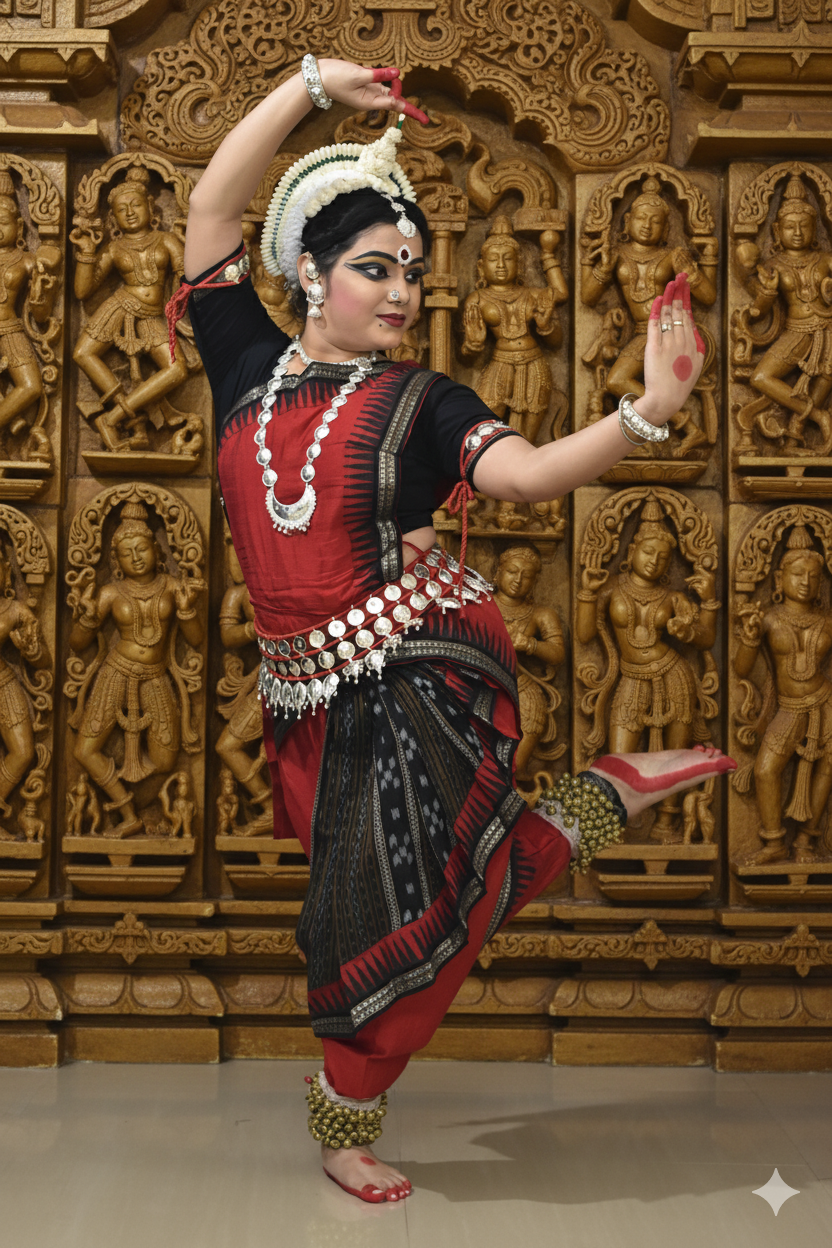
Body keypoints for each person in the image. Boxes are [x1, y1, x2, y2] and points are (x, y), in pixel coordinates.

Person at [170, 56, 736, 1205]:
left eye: (413, 274)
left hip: (400, 692)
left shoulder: (425, 401)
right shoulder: (243, 362)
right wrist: (314, 85)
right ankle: (595, 802)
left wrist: (648, 412)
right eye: (374, 269)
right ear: (308, 274)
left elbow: (523, 479)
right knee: (454, 886)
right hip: (300, 698)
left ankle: (346, 1120)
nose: (400, 294)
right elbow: (212, 206)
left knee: (389, 924)